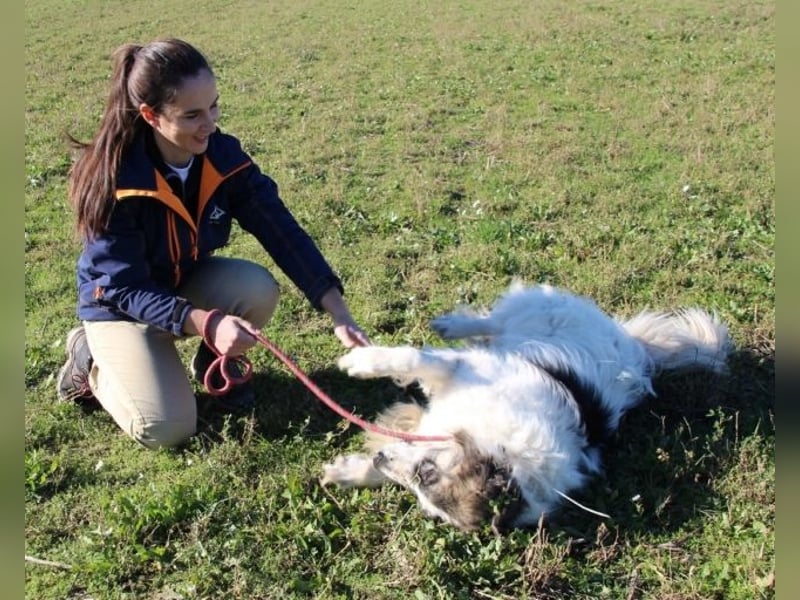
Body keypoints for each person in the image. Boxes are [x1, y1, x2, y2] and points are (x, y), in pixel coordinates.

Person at [56, 38, 370, 449]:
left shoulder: (222, 156)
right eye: (192, 115)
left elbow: (281, 230)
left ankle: (213, 360)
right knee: (165, 428)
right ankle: (90, 359)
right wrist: (208, 322)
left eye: (213, 106)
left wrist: (338, 312)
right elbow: (124, 287)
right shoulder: (114, 179)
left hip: (179, 284)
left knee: (256, 288)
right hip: (120, 309)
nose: (210, 123)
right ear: (151, 115)